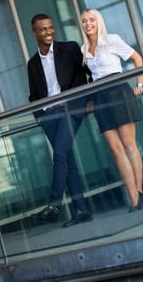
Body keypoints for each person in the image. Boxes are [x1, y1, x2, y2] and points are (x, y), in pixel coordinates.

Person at [27, 13, 92, 227]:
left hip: (69, 109)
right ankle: (81, 210)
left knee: (61, 153)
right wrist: (40, 118)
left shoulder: (70, 48)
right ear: (34, 33)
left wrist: (88, 100)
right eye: (43, 29)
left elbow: (88, 73)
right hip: (49, 116)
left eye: (50, 28)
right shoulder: (33, 63)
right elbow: (34, 95)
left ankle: (54, 204)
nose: (48, 32)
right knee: (67, 160)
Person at [81, 8, 143, 212]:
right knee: (115, 151)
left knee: (129, 145)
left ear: (98, 21)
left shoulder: (112, 40)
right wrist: (91, 99)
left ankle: (139, 195)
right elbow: (90, 78)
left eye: (91, 20)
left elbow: (138, 59)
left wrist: (140, 83)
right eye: (84, 21)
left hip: (118, 92)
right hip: (100, 97)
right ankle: (133, 197)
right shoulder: (84, 49)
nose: (88, 24)